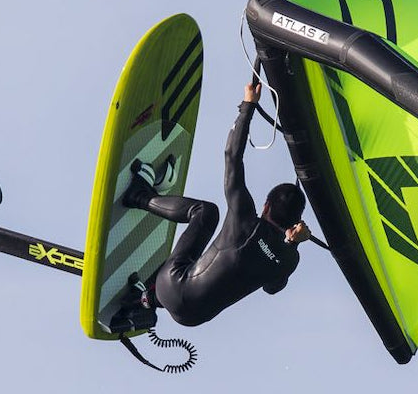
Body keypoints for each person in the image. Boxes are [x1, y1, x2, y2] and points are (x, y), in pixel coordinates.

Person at [120, 82, 312, 327]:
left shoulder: (245, 218)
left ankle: (139, 196)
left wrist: (248, 106)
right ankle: (144, 300)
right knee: (217, 278)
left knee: (206, 212)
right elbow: (273, 287)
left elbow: (232, 156)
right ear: (293, 225)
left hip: (172, 286)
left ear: (266, 206)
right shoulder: (288, 260)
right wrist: (292, 244)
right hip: (195, 318)